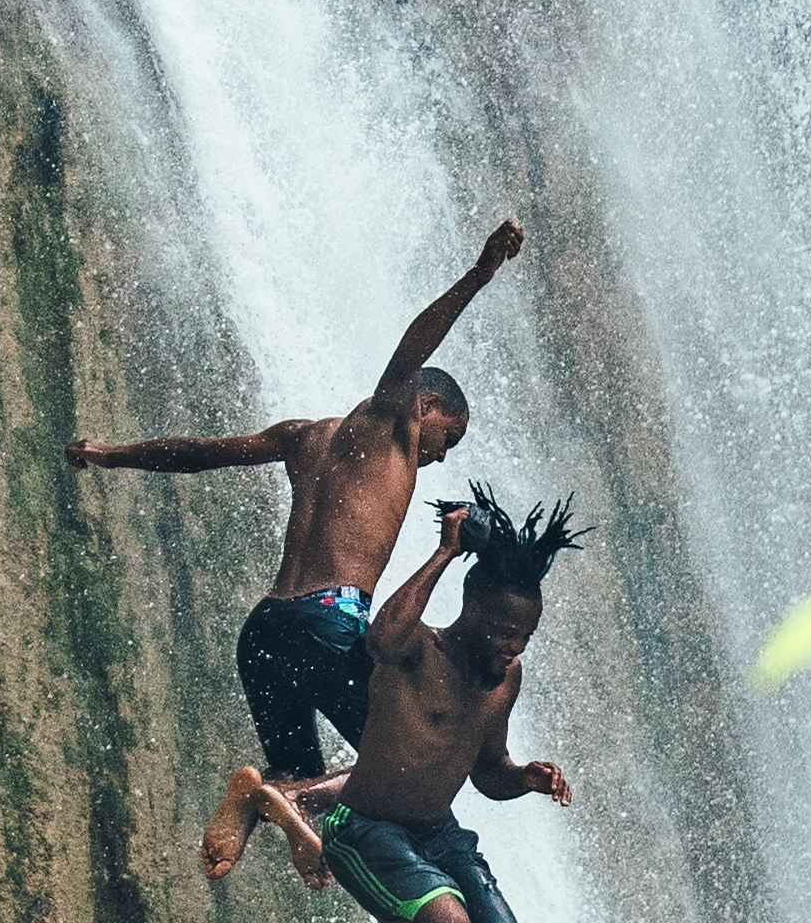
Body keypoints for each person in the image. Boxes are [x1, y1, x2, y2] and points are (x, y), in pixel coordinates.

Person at [67, 218, 523, 886]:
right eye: (447, 434)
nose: (444, 453)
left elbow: (199, 455)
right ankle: (282, 807)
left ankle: (263, 803)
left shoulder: (304, 436)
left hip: (265, 632)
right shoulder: (392, 424)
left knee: (300, 795)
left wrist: (111, 456)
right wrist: (480, 274)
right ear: (424, 405)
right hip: (327, 625)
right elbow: (410, 350)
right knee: (413, 760)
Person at [283, 488, 582, 923]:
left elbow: (488, 774)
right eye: (507, 633)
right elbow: (380, 635)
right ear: (475, 613)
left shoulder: (504, 679)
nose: (516, 648)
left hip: (438, 837)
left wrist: (525, 779)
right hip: (365, 828)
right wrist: (445, 552)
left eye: (527, 637)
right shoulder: (418, 650)